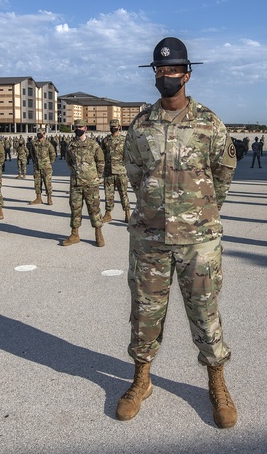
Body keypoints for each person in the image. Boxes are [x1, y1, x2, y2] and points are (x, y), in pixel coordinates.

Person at [118, 37, 238, 429]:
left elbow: (223, 175)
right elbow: (135, 174)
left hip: (199, 239)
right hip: (150, 237)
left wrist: (199, 212)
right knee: (145, 313)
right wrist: (156, 208)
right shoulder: (141, 126)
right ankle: (141, 379)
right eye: (160, 70)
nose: (166, 76)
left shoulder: (209, 123)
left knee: (205, 312)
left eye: (172, 70)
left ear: (187, 74)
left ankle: (217, 383)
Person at [62, 119, 105, 247]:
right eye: (76, 127)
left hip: (91, 183)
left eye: (81, 126)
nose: (78, 129)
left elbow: (101, 162)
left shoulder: (94, 145)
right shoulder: (71, 145)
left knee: (94, 208)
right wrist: (76, 174)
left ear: (86, 128)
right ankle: (74, 234)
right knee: (75, 208)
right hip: (76, 183)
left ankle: (98, 233)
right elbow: (69, 161)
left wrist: (96, 177)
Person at [101, 118, 130, 222]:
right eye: (111, 127)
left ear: (119, 127)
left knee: (123, 193)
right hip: (108, 171)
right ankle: (108, 214)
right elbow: (102, 155)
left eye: (115, 127)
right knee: (108, 194)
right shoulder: (105, 140)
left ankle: (127, 213)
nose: (113, 128)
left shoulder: (125, 140)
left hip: (121, 171)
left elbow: (129, 155)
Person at [30, 128, 56, 205]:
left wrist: (49, 162)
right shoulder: (34, 143)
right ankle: (38, 198)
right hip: (37, 166)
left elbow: (53, 154)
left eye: (40, 133)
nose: (39, 134)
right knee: (37, 183)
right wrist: (35, 161)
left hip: (46, 167)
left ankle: (49, 198)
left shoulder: (48, 144)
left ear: (44, 134)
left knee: (47, 183)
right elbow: (32, 153)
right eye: (38, 133)